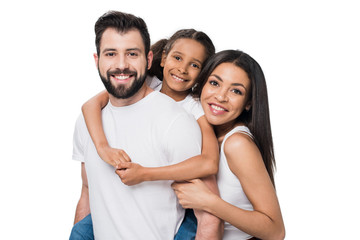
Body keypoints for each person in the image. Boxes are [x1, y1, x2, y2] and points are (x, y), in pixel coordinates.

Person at [72, 28, 224, 239]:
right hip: (132, 205)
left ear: (203, 74)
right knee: (81, 230)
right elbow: (90, 105)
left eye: (194, 65)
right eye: (178, 58)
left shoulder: (194, 108)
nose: (182, 69)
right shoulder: (148, 84)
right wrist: (102, 147)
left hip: (182, 200)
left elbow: (209, 164)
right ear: (163, 59)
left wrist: (145, 174)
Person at [172, 50, 286, 240]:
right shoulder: (202, 133)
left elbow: (276, 231)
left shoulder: (237, 144)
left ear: (248, 103)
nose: (221, 96)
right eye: (215, 83)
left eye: (236, 91)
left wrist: (209, 202)